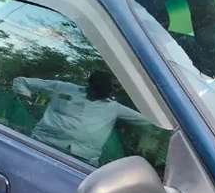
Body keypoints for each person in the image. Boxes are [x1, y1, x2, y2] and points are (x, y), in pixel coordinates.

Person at [12, 69, 150, 165]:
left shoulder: (114, 108)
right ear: (94, 84)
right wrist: (28, 103)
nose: (116, 90)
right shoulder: (63, 88)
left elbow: (148, 122)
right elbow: (20, 82)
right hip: (42, 145)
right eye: (113, 86)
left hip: (82, 162)